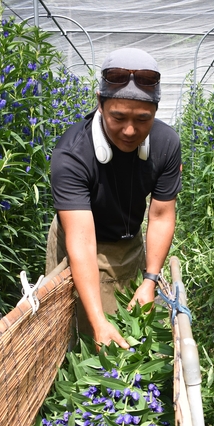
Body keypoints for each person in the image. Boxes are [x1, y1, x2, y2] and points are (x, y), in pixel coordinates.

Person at [46, 47, 182, 348]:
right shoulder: (71, 154)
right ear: (100, 104)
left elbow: (160, 215)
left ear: (156, 112)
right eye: (118, 117)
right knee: (86, 337)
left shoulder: (166, 144)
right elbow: (81, 240)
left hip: (129, 241)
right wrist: (97, 321)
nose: (130, 131)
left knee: (138, 326)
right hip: (80, 242)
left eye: (143, 119)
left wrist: (150, 279)